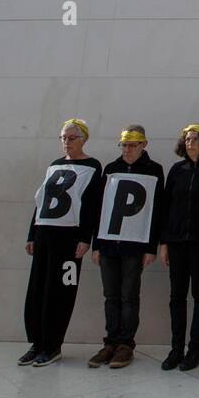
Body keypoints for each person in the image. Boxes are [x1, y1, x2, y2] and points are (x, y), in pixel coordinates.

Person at [21, 118, 103, 367]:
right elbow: (41, 202)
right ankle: (37, 343)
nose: (66, 143)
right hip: (44, 235)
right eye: (63, 138)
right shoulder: (54, 165)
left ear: (83, 139)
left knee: (61, 291)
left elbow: (91, 204)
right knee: (37, 290)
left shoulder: (92, 166)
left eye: (71, 138)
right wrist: (32, 234)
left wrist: (85, 238)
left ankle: (53, 345)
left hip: (68, 239)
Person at [87, 125, 164, 369]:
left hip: (135, 245)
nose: (128, 149)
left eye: (133, 145)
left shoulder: (154, 170)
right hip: (109, 243)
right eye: (124, 145)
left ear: (144, 145)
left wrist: (151, 247)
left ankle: (125, 345)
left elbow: (157, 211)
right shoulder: (111, 169)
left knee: (129, 296)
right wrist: (96, 245)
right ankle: (110, 342)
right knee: (110, 296)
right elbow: (100, 209)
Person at [157, 123, 199, 372]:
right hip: (176, 242)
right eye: (186, 139)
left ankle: (195, 349)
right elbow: (166, 207)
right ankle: (176, 349)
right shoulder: (177, 170)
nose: (189, 143)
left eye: (195, 139)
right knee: (177, 296)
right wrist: (164, 242)